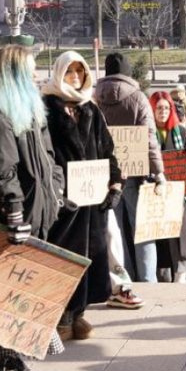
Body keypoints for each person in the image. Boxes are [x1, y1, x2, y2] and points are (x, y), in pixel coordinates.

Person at [0, 44, 65, 371]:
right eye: (31, 69)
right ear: (15, 75)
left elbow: (49, 157)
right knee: (1, 296)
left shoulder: (30, 113)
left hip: (36, 214)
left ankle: (14, 360)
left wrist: (56, 190)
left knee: (23, 294)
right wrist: (13, 209)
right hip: (9, 221)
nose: (37, 75)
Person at [42, 52, 126, 340]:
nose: (75, 77)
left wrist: (115, 184)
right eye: (70, 72)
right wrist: (56, 191)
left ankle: (79, 313)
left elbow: (108, 151)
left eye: (80, 71)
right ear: (59, 74)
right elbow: (44, 156)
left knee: (92, 256)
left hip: (93, 202)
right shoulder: (46, 109)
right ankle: (62, 314)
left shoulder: (91, 108)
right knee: (63, 257)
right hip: (65, 201)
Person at [93, 52, 164, 288]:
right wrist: (158, 171)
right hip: (134, 172)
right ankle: (148, 281)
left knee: (115, 229)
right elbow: (149, 138)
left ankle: (124, 278)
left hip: (104, 174)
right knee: (143, 229)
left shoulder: (94, 97)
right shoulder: (137, 97)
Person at [150, 91, 186, 282]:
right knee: (160, 235)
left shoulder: (181, 132)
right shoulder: (147, 132)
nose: (162, 111)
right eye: (158, 108)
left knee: (181, 229)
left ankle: (181, 272)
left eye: (166, 107)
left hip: (179, 193)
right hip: (154, 193)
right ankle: (162, 274)